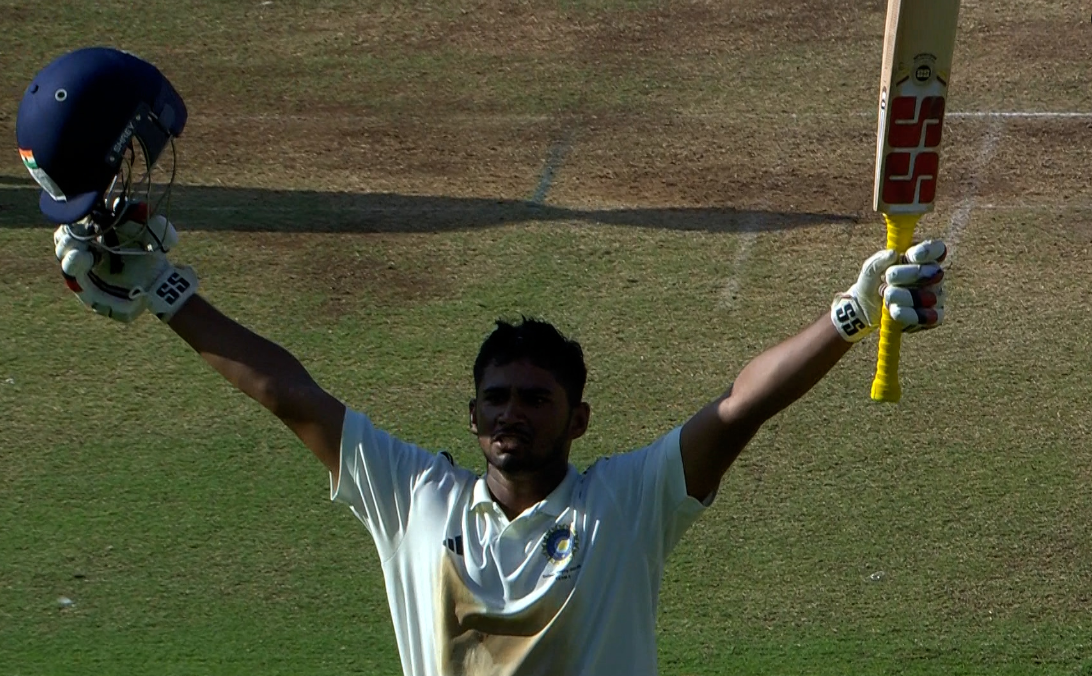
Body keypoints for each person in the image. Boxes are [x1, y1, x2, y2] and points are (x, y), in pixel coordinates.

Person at [17, 48, 948, 676]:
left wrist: (853, 311)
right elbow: (289, 394)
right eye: (498, 397)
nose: (514, 412)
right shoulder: (414, 498)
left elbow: (739, 406)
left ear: (578, 419)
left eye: (537, 399)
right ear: (471, 418)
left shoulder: (628, 505)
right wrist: (171, 297)